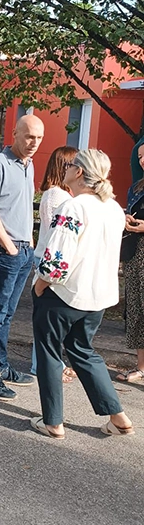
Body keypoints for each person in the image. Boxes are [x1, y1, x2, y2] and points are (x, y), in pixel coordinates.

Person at [31, 149, 133, 439]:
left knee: (49, 352)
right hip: (97, 296)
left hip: (63, 294)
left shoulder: (74, 207)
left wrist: (40, 286)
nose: (66, 167)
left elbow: (57, 258)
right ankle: (118, 415)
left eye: (71, 164)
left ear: (79, 172)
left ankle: (53, 421)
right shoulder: (113, 208)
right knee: (83, 351)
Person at [0, 113, 44, 400]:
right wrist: (11, 246)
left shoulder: (28, 165)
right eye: (29, 136)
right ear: (14, 133)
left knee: (7, 313)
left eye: (39, 138)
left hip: (22, 249)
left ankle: (1, 366)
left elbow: (23, 206)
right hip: (4, 250)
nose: (34, 143)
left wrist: (27, 243)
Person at [29, 146, 77, 382]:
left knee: (49, 317)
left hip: (46, 255)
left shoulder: (56, 194)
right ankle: (45, 365)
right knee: (48, 318)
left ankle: (51, 363)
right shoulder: (59, 196)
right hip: (49, 258)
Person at [118, 141, 144, 383]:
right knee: (136, 309)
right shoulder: (136, 187)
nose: (143, 160)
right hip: (135, 254)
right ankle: (141, 367)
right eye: (140, 156)